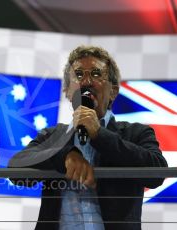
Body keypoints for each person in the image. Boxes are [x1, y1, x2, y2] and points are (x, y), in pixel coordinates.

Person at [9, 45, 168, 230]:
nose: (86, 81)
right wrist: (65, 155)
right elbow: (16, 169)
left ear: (113, 92)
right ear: (67, 91)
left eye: (95, 74)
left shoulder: (136, 133)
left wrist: (99, 134)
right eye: (78, 75)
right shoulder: (52, 136)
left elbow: (157, 174)